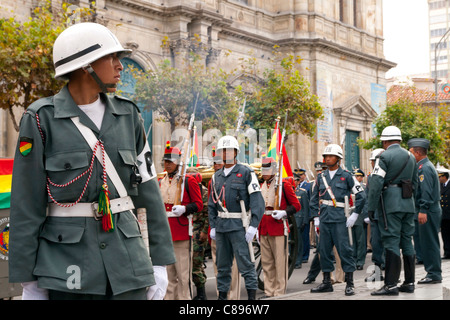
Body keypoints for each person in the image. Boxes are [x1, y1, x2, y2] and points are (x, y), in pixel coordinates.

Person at [8, 22, 175, 300]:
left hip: (128, 264)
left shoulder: (128, 115)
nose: (120, 66)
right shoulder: (40, 118)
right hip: (66, 268)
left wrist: (159, 262)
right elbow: (27, 203)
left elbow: (148, 191)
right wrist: (29, 280)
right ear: (85, 66)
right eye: (112, 58)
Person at [208, 135, 265, 300]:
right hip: (221, 227)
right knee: (222, 266)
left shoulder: (246, 172)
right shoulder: (216, 177)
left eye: (229, 150)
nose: (226, 153)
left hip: (239, 226)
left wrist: (254, 225)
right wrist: (212, 226)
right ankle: (223, 297)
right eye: (223, 151)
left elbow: (257, 201)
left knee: (246, 265)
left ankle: (252, 298)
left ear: (236, 152)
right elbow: (212, 204)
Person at [309, 144, 366, 296]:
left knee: (345, 251)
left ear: (338, 159)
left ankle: (350, 283)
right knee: (323, 250)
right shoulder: (321, 177)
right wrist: (315, 217)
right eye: (326, 156)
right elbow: (314, 199)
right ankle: (327, 282)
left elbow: (361, 196)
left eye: (331, 156)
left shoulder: (347, 176)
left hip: (341, 218)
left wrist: (355, 214)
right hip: (325, 218)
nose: (327, 158)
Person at [368, 126, 418, 296]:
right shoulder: (411, 156)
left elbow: (375, 184)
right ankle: (410, 282)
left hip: (390, 205)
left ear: (385, 141)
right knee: (406, 241)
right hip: (408, 203)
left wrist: (371, 207)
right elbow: (415, 183)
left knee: (391, 241)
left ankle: (390, 285)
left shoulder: (384, 156)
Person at [159, 142, 203, 300]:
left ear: (178, 162)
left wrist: (185, 209)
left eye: (170, 161)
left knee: (183, 274)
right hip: (166, 233)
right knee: (168, 274)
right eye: (165, 161)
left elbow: (198, 204)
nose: (167, 164)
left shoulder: (188, 180)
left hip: (181, 232)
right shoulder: (161, 181)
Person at [258, 157, 301, 297]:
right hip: (264, 227)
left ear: (274, 170)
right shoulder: (261, 185)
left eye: (267, 169)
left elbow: (296, 205)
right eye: (263, 169)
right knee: (267, 262)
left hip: (278, 227)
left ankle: (279, 291)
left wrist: (284, 212)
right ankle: (269, 290)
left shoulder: (283, 184)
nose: (264, 172)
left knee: (279, 261)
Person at [408, 138, 442, 285]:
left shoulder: (425, 168)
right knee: (426, 242)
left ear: (417, 152)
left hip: (428, 210)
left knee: (430, 242)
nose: (409, 155)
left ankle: (434, 273)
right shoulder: (422, 166)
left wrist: (423, 209)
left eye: (410, 152)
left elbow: (426, 191)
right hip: (427, 209)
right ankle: (432, 272)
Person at [364, 148, 386, 282]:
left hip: (387, 215)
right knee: (376, 244)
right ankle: (378, 272)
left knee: (389, 244)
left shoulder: (389, 175)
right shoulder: (371, 177)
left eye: (374, 161)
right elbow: (368, 196)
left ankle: (391, 272)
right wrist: (368, 212)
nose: (373, 164)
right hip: (376, 215)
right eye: (372, 161)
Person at [191, 171, 209, 300]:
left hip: (199, 230)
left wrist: (204, 231)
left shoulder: (204, 192)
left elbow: (208, 214)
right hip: (189, 229)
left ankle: (202, 294)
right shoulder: (186, 189)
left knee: (195, 263)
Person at [352, 169, 368, 270]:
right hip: (350, 216)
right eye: (355, 176)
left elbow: (365, 202)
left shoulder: (363, 187)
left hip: (359, 216)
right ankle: (353, 259)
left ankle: (360, 261)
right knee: (352, 240)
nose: (356, 178)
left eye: (358, 176)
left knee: (360, 240)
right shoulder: (349, 187)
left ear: (361, 178)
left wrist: (366, 215)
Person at [293, 172, 311, 269]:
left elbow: (305, 208)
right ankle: (292, 259)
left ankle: (298, 261)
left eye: (295, 180)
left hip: (299, 220)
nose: (294, 182)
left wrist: (305, 221)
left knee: (299, 242)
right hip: (291, 221)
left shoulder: (302, 192)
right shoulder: (289, 192)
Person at [438, 167, 450, 259]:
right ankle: (447, 252)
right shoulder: (440, 186)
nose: (439, 178)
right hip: (443, 215)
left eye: (440, 176)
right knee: (444, 234)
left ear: (445, 177)